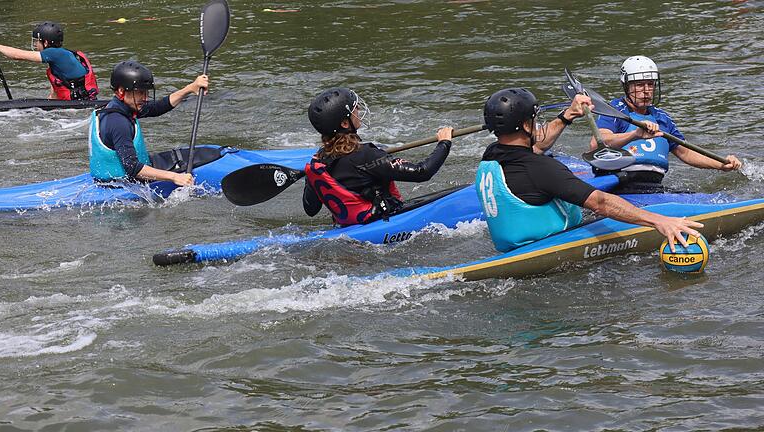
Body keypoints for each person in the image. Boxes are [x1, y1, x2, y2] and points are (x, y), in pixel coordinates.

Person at [476, 87, 703, 253]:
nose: (538, 126)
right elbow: (600, 203)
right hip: (546, 245)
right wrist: (658, 221)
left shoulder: (493, 153)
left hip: (512, 244)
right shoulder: (541, 169)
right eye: (534, 120)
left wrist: (568, 115)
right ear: (525, 126)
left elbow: (538, 146)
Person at [302, 87, 454, 226]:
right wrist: (444, 143)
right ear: (344, 123)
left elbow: (311, 209)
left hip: (348, 228)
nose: (359, 109)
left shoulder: (318, 162)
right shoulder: (366, 155)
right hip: (384, 223)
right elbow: (423, 172)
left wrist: (309, 179)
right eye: (354, 109)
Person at [592, 55, 741, 189]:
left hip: (653, 187)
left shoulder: (662, 118)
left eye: (650, 84)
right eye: (639, 85)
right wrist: (635, 135)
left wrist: (721, 164)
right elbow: (597, 142)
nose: (646, 91)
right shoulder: (614, 111)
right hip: (616, 184)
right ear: (626, 86)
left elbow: (686, 153)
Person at [88, 60, 208, 186]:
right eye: (140, 92)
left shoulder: (122, 107)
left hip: (110, 179)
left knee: (204, 154)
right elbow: (133, 168)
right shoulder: (118, 123)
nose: (145, 98)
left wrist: (190, 88)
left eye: (146, 92)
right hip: (121, 185)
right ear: (121, 91)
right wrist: (175, 177)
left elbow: (157, 108)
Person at [0, 21, 99, 100]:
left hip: (80, 105)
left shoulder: (54, 53)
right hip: (82, 101)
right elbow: (56, 90)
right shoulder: (61, 56)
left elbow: (17, 55)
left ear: (45, 43)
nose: (35, 44)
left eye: (37, 41)